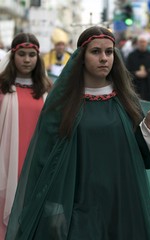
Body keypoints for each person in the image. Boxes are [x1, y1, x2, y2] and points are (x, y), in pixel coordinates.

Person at [5, 26, 150, 240]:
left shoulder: (126, 101)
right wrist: (52, 208)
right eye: (96, 52)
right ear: (81, 57)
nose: (104, 58)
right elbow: (44, 159)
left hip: (121, 201)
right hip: (78, 203)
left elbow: (139, 155)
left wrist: (149, 127)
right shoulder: (62, 104)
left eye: (109, 52)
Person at [0, 32, 52, 239]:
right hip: (5, 164)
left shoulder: (47, 90)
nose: (27, 59)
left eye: (32, 54)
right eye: (22, 54)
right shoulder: (2, 88)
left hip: (36, 165)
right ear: (13, 56)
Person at [126, 34, 150, 101]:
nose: (142, 44)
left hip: (148, 86)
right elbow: (126, 70)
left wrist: (147, 73)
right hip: (135, 86)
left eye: (144, 42)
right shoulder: (131, 56)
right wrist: (135, 73)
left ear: (147, 43)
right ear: (137, 43)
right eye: (140, 42)